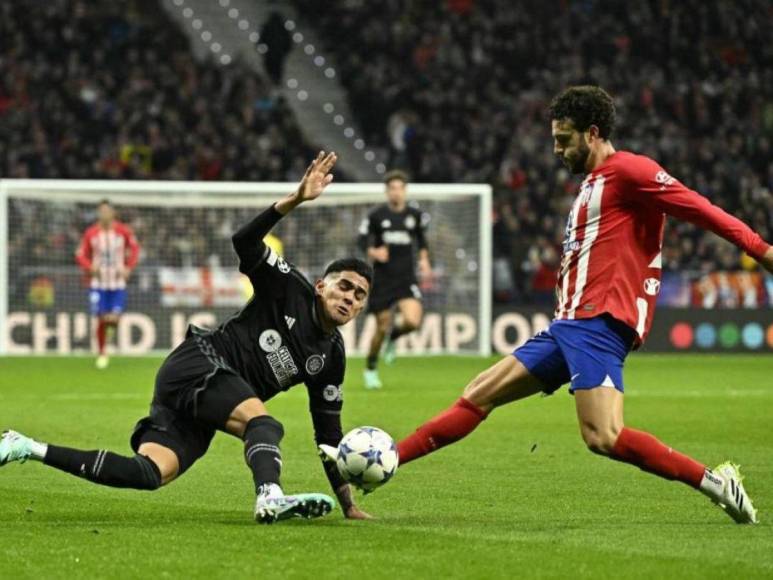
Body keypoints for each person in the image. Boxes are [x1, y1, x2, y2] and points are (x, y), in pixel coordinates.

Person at [394, 87, 773, 524]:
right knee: (478, 394)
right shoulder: (591, 185)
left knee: (603, 436)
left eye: (564, 138)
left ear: (592, 134)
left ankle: (715, 483)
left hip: (598, 321)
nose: (556, 149)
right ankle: (388, 461)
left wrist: (761, 250)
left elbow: (701, 209)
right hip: (568, 324)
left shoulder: (630, 170)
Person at [1, 152, 375, 524]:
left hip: (207, 399)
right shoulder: (290, 286)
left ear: (361, 309)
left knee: (148, 473)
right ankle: (269, 496)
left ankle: (26, 446)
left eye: (359, 296)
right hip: (201, 361)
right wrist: (294, 200)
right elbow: (243, 241)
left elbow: (328, 433)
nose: (349, 298)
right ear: (323, 286)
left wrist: (348, 505)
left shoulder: (332, 358)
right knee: (265, 424)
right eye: (344, 287)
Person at [358, 170, 431, 389]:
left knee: (412, 321)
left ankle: (394, 337)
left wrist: (425, 261)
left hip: (406, 277)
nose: (396, 192)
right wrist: (373, 252)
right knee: (380, 327)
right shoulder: (376, 215)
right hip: (382, 279)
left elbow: (422, 241)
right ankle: (371, 368)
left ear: (405, 190)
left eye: (399, 188)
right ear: (387, 191)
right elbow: (361, 240)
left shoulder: (415, 216)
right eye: (392, 188)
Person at [75, 199, 140, 369]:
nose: (103, 214)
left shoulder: (123, 231)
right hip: (98, 284)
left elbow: (135, 249)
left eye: (106, 211)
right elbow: (80, 254)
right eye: (101, 211)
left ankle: (108, 336)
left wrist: (128, 267)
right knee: (102, 318)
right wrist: (90, 267)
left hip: (117, 283)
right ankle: (102, 353)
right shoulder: (91, 233)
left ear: (113, 213)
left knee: (113, 319)